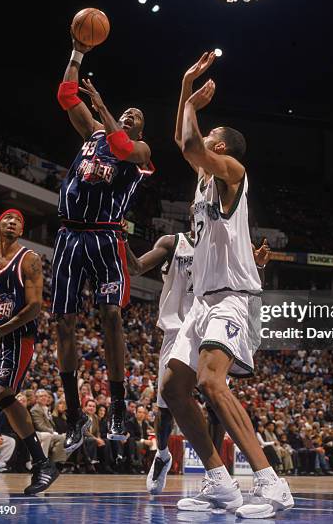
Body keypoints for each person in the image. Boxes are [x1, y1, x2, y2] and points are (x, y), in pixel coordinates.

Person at [161, 53, 294, 518]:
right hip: (202, 302)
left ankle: (271, 483)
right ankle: (219, 482)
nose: (203, 145)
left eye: (211, 141)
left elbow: (192, 144)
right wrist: (184, 86)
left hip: (234, 299)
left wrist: (192, 105)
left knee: (212, 383)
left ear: (223, 150)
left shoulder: (234, 174)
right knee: (173, 390)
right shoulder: (201, 182)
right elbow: (184, 143)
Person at [52, 34, 154, 455]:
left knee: (111, 314)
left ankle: (116, 404)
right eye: (125, 113)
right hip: (69, 235)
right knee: (62, 324)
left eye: (136, 115)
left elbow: (123, 144)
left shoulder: (141, 152)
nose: (129, 117)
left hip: (107, 237)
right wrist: (77, 51)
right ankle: (75, 414)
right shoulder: (92, 134)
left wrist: (106, 109)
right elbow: (64, 94)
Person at [125, 204, 270, 494]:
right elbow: (136, 267)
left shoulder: (226, 246)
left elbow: (252, 288)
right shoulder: (172, 243)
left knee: (216, 403)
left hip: (212, 325)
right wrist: (120, 239)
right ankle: (163, 454)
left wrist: (260, 266)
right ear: (194, 217)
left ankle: (215, 476)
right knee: (167, 406)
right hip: (178, 329)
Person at [0, 209, 59, 493]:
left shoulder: (29, 259)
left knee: (3, 394)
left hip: (16, 336)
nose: (12, 222)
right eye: (7, 218)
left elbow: (34, 308)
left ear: (21, 230)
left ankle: (43, 464)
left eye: (18, 220)